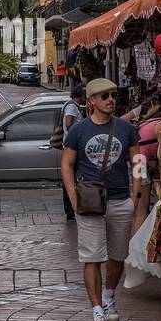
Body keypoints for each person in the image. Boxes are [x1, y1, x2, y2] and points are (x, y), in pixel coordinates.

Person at [62, 77, 141, 321]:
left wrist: (136, 196)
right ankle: (97, 311)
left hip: (120, 200)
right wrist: (73, 196)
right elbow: (66, 164)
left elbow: (137, 160)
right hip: (90, 202)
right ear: (92, 101)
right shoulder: (79, 130)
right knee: (92, 257)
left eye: (113, 96)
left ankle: (109, 295)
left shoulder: (126, 129)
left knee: (118, 257)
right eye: (105, 96)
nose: (110, 100)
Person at [60, 83, 86, 223]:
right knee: (71, 177)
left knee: (74, 177)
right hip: (73, 147)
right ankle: (70, 210)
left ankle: (72, 209)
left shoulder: (73, 106)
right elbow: (69, 123)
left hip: (73, 146)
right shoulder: (71, 106)